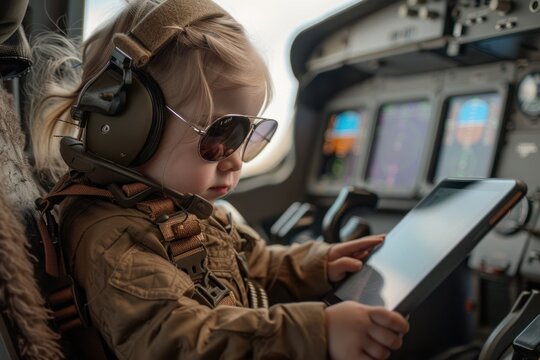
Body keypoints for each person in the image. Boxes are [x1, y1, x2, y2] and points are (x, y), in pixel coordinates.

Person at [27, 0, 409, 359]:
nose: (235, 162)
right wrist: (315, 332)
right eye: (219, 135)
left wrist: (318, 265)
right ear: (128, 126)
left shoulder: (174, 204)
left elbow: (250, 263)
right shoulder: (111, 238)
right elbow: (177, 339)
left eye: (247, 137)